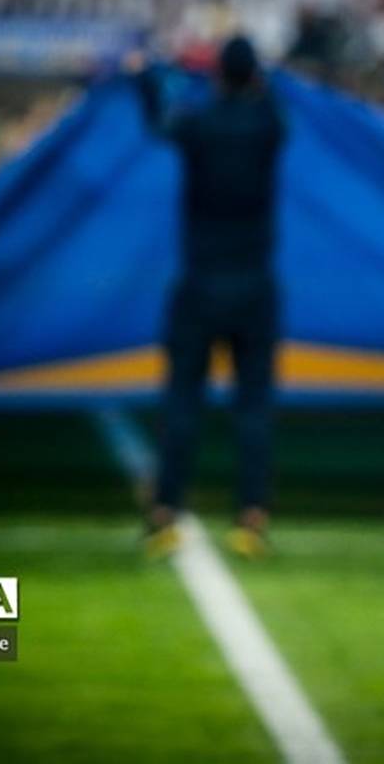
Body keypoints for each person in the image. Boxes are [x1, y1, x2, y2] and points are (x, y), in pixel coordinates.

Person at [137, 36, 286, 559]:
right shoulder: (268, 126)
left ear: (219, 76)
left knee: (182, 402)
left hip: (200, 284)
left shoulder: (198, 124)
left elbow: (159, 121)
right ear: (254, 77)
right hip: (254, 287)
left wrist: (144, 78)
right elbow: (275, 100)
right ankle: (252, 518)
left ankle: (164, 513)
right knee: (253, 408)